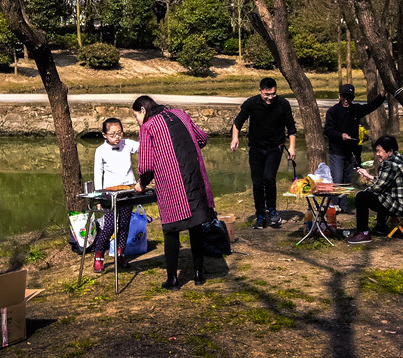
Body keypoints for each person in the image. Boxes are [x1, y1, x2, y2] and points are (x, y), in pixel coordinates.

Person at [132, 95, 216, 289]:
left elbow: (145, 166)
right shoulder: (180, 114)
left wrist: (141, 184)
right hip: (194, 177)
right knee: (195, 225)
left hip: (172, 183)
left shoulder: (148, 126)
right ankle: (198, 274)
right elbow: (202, 138)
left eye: (136, 116)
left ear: (142, 111)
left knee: (171, 229)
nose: (137, 121)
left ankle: (173, 279)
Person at [231, 77, 296, 229]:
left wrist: (292, 147)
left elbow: (291, 127)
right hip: (256, 148)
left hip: (275, 147)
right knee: (257, 182)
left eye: (273, 94)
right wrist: (235, 138)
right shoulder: (251, 103)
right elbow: (238, 121)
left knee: (269, 178)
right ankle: (260, 215)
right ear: (260, 91)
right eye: (267, 94)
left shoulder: (283, 104)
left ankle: (272, 211)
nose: (270, 98)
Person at [89, 117, 139, 274]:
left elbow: (145, 148)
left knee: (124, 224)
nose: (117, 137)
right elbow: (98, 175)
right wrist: (98, 197)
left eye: (119, 133)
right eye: (112, 134)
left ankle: (120, 254)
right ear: (104, 135)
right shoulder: (100, 151)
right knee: (109, 225)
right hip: (110, 193)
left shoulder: (128, 144)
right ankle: (99, 256)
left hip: (129, 189)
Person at [347, 135, 403, 244]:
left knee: (362, 197)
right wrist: (368, 176)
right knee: (382, 195)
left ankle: (363, 234)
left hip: (401, 207)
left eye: (379, 151)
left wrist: (361, 192)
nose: (377, 154)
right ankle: (380, 227)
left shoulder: (390, 164)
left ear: (389, 151)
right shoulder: (398, 159)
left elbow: (379, 187)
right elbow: (385, 182)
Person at [323, 83, 385, 204]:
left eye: (349, 97)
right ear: (339, 96)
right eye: (344, 97)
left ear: (353, 98)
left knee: (346, 180)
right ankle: (333, 206)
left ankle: (343, 205)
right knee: (337, 179)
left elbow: (371, 106)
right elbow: (328, 130)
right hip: (337, 151)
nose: (346, 100)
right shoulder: (333, 111)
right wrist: (341, 136)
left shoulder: (355, 109)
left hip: (351, 152)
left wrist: (382, 96)